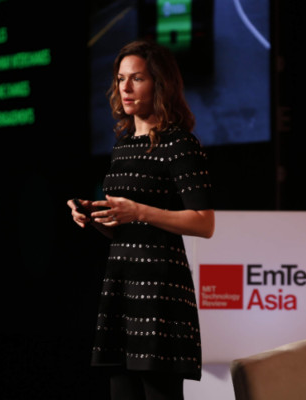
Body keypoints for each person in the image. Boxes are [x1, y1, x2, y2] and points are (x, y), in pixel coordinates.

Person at [67, 39, 215, 400]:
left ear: (160, 84)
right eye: (121, 79)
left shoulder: (180, 144)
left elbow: (204, 223)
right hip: (122, 286)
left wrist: (139, 211)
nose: (126, 88)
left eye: (137, 78)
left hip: (160, 292)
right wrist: (95, 216)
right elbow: (126, 231)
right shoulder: (123, 146)